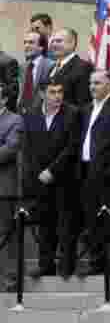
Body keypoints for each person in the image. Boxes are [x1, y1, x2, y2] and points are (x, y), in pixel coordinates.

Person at [22, 82, 78, 280]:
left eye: (60, 92)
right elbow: (27, 148)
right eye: (52, 92)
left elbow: (72, 147)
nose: (57, 96)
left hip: (64, 178)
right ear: (41, 94)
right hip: (40, 180)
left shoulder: (72, 113)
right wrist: (37, 173)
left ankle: (66, 265)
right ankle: (45, 265)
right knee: (45, 224)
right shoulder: (31, 114)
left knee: (65, 223)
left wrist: (52, 170)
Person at [78, 70, 110, 276]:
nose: (92, 87)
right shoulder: (87, 108)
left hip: (108, 171)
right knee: (92, 218)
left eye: (97, 83)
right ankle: (96, 261)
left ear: (109, 84)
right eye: (91, 83)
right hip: (88, 170)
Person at [0, 83, 23, 291]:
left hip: (3, 189)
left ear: (4, 99)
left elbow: (10, 149)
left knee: (6, 235)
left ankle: (10, 280)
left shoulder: (15, 120)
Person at [46, 28, 92, 109]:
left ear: (72, 43)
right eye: (53, 41)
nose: (54, 44)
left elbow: (83, 104)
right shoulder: (52, 68)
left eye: (59, 41)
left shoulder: (83, 67)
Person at [18, 29, 51, 113]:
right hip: (22, 114)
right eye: (25, 42)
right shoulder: (23, 67)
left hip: (41, 115)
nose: (26, 46)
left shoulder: (50, 65)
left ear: (41, 47)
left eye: (31, 43)